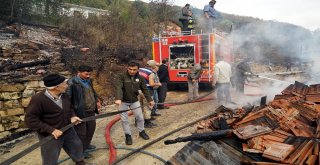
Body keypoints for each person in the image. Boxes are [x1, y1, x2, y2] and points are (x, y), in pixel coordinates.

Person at [25, 74, 85, 165]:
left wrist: (72, 116)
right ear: (56, 87)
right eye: (64, 84)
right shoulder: (38, 99)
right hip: (50, 135)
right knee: (50, 158)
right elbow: (30, 120)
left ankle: (80, 163)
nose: (67, 85)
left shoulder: (63, 95)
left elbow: (69, 107)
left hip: (68, 129)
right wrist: (51, 130)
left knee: (77, 147)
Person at [66, 65, 101, 159]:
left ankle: (86, 145)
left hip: (91, 110)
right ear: (79, 72)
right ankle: (81, 151)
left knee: (91, 129)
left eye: (89, 74)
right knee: (81, 133)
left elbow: (92, 91)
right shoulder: (72, 83)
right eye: (86, 74)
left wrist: (97, 100)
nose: (88, 76)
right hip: (80, 112)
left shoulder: (89, 80)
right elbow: (68, 100)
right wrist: (72, 114)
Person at [115, 61, 153, 145]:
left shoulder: (140, 78)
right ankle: (128, 135)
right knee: (124, 120)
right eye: (130, 69)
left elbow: (145, 89)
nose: (132, 71)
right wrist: (118, 98)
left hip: (134, 100)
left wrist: (150, 100)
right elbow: (119, 88)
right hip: (123, 102)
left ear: (138, 69)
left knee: (140, 117)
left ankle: (141, 131)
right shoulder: (121, 76)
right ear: (127, 68)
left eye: (134, 69)